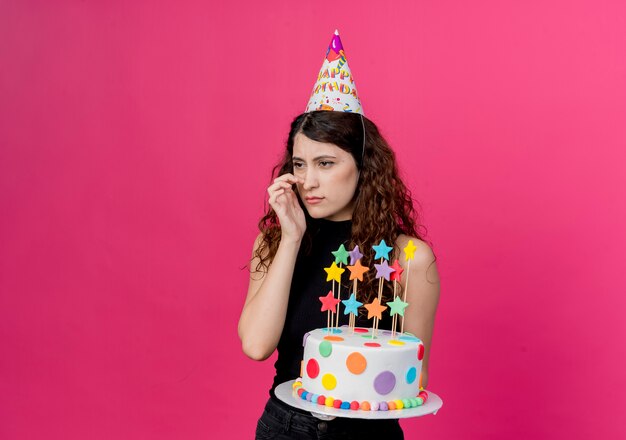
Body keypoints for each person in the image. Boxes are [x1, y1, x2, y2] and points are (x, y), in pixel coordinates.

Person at [238, 31, 440, 440]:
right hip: (285, 427)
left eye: (326, 163)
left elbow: (411, 379)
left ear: (364, 165)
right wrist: (292, 239)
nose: (309, 181)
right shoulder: (275, 243)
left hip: (367, 434)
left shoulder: (409, 258)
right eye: (300, 163)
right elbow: (256, 346)